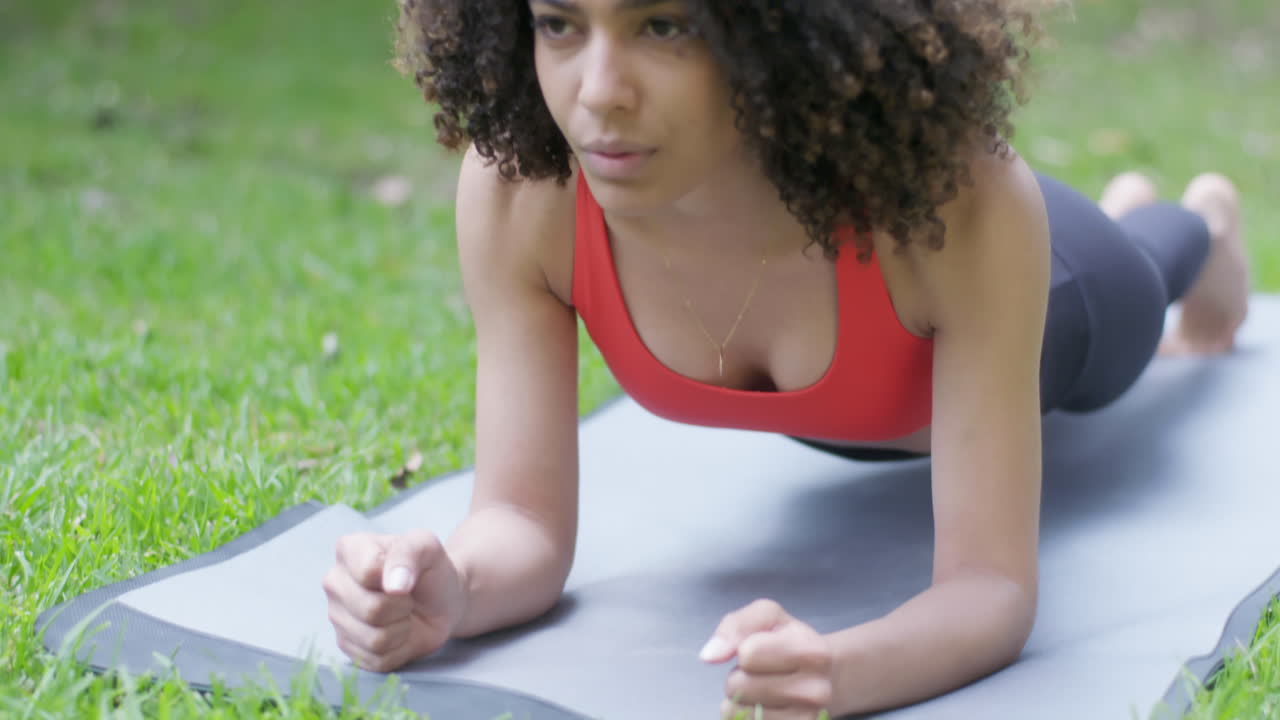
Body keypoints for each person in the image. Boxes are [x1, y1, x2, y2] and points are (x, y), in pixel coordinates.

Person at [321, 0, 1252, 717]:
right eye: (559, 23)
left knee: (1140, 278)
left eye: (665, 25)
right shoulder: (523, 193)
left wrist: (844, 670)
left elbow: (991, 586)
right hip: (852, 416)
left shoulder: (962, 206)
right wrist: (452, 585)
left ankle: (1200, 225)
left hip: (1067, 306)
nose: (597, 92)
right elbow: (519, 519)